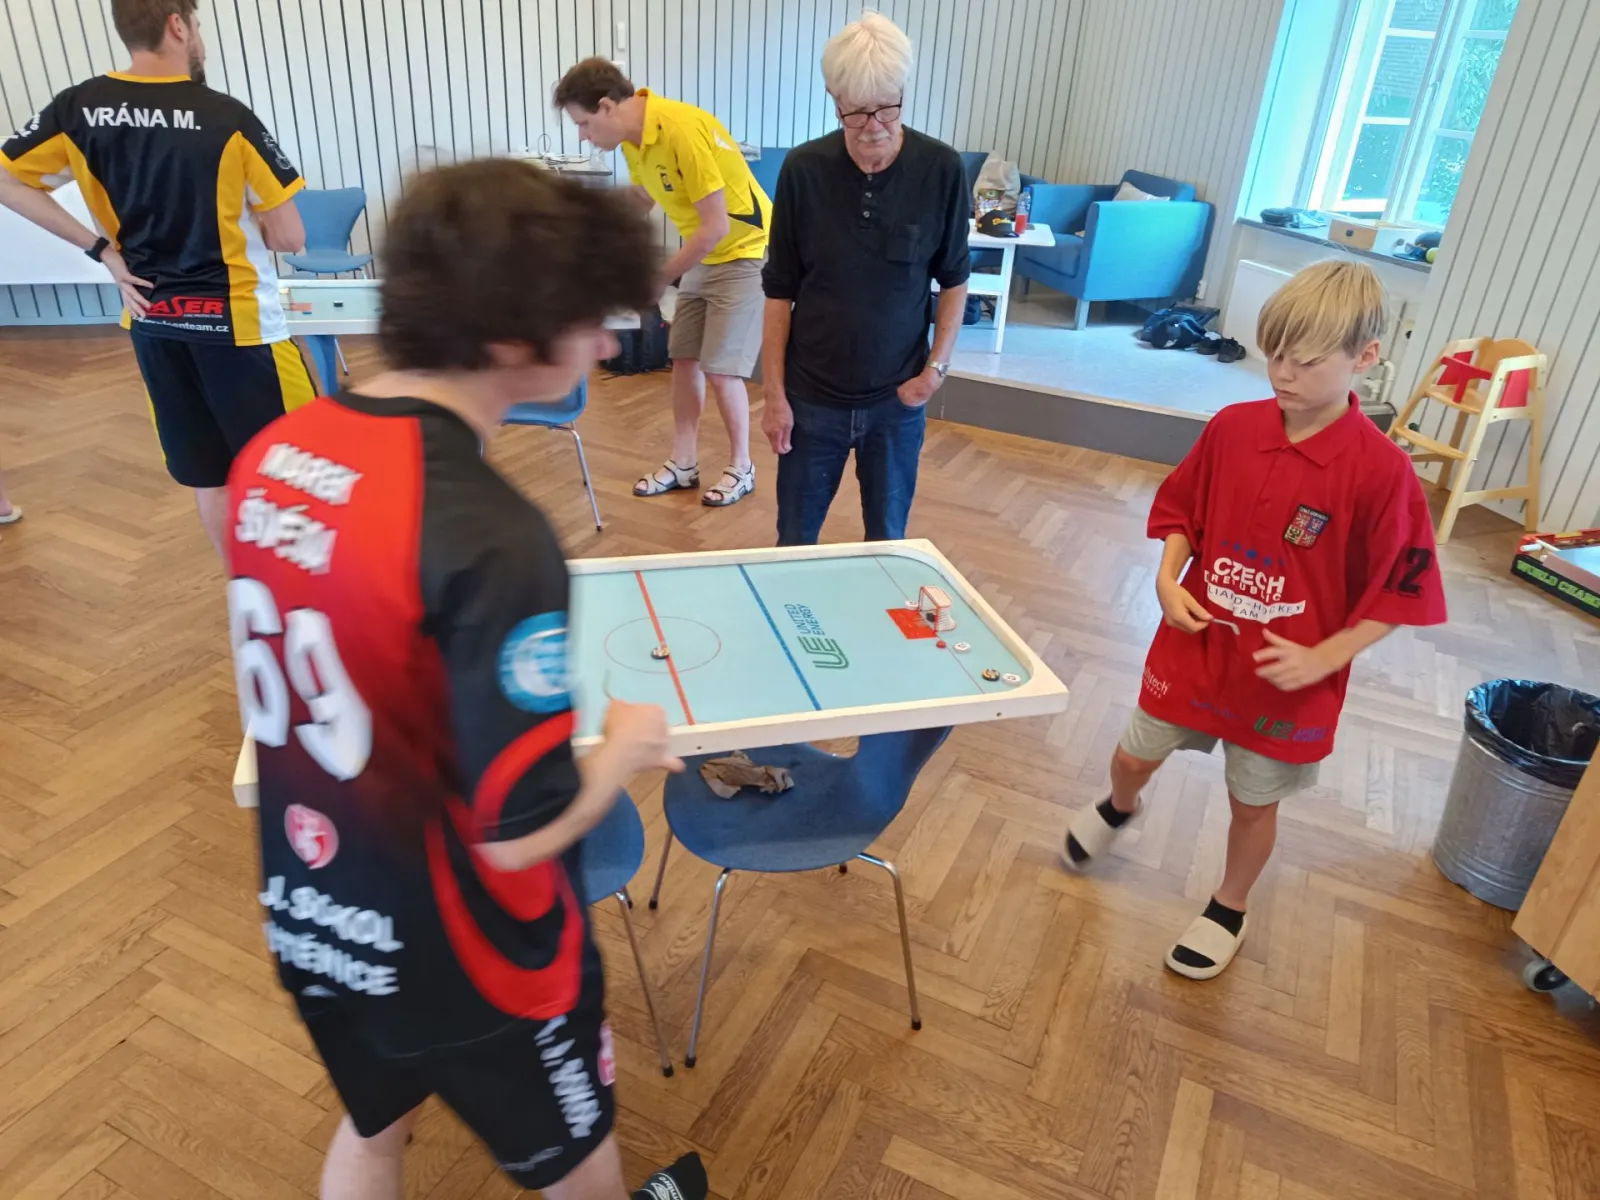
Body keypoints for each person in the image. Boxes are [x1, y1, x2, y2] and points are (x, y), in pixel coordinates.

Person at [225, 159, 706, 1200]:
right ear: (511, 337)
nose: (608, 343)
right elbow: (515, 836)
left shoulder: (274, 452)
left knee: (373, 1133)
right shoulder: (489, 535)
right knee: (577, 1170)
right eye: (589, 319)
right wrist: (624, 750)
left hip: (315, 914)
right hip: (477, 956)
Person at [1061, 261, 1447, 980]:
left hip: (1284, 680)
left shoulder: (1382, 472)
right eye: (1275, 355)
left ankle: (1228, 907)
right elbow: (1183, 511)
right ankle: (1118, 806)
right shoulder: (1232, 428)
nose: (1284, 374)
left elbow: (1404, 590)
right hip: (1195, 648)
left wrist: (1326, 656)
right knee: (1134, 754)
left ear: (1365, 357)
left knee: (1251, 803)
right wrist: (1166, 579)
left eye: (1307, 361)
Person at [0, 0, 313, 561]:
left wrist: (100, 250)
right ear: (177, 25)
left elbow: (6, 178)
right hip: (239, 325)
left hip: (153, 321)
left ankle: (243, 586)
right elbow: (290, 237)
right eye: (198, 25)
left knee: (209, 474)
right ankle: (297, 591)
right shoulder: (227, 117)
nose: (200, 37)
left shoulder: (76, 108)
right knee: (295, 467)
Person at [761, 12, 970, 546]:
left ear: (903, 93)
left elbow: (954, 278)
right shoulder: (803, 170)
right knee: (793, 542)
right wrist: (775, 396)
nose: (874, 126)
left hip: (896, 404)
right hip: (810, 401)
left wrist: (935, 372)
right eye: (856, 113)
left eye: (887, 108)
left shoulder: (942, 169)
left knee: (888, 542)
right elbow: (779, 291)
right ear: (834, 100)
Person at [555, 57, 769, 509]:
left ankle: (743, 467)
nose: (583, 136)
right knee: (684, 359)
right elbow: (642, 196)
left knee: (721, 369)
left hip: (745, 250)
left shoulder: (680, 129)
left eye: (584, 123)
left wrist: (660, 278)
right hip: (706, 251)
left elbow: (717, 227)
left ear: (607, 106)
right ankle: (684, 463)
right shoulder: (635, 142)